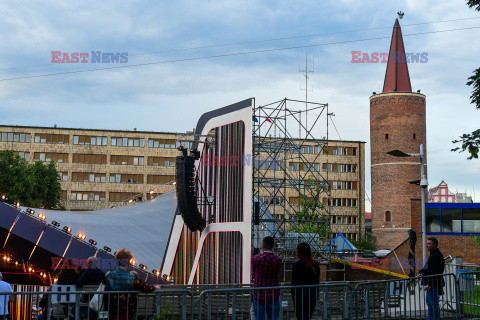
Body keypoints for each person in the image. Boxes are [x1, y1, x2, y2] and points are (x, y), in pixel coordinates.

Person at [103, 248, 155, 320]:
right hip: (127, 313)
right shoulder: (131, 278)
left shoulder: (109, 275)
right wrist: (155, 287)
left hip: (112, 312)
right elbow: (145, 287)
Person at [251, 236, 282, 320]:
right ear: (272, 246)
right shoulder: (278, 260)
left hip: (259, 294)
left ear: (263, 245)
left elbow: (253, 274)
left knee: (259, 317)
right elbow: (279, 275)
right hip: (273, 294)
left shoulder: (256, 259)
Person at [291, 243, 320, 320]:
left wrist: (293, 296)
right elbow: (317, 281)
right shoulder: (315, 264)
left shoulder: (297, 265)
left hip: (299, 296)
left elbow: (294, 282)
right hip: (311, 295)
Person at [419, 237, 445, 320]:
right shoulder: (433, 254)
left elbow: (435, 271)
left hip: (433, 283)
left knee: (433, 303)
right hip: (432, 283)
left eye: (429, 244)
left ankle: (434, 318)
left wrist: (429, 284)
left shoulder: (435, 256)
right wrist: (422, 271)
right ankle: (430, 318)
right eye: (427, 243)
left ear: (435, 245)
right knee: (429, 303)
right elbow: (430, 268)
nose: (427, 245)